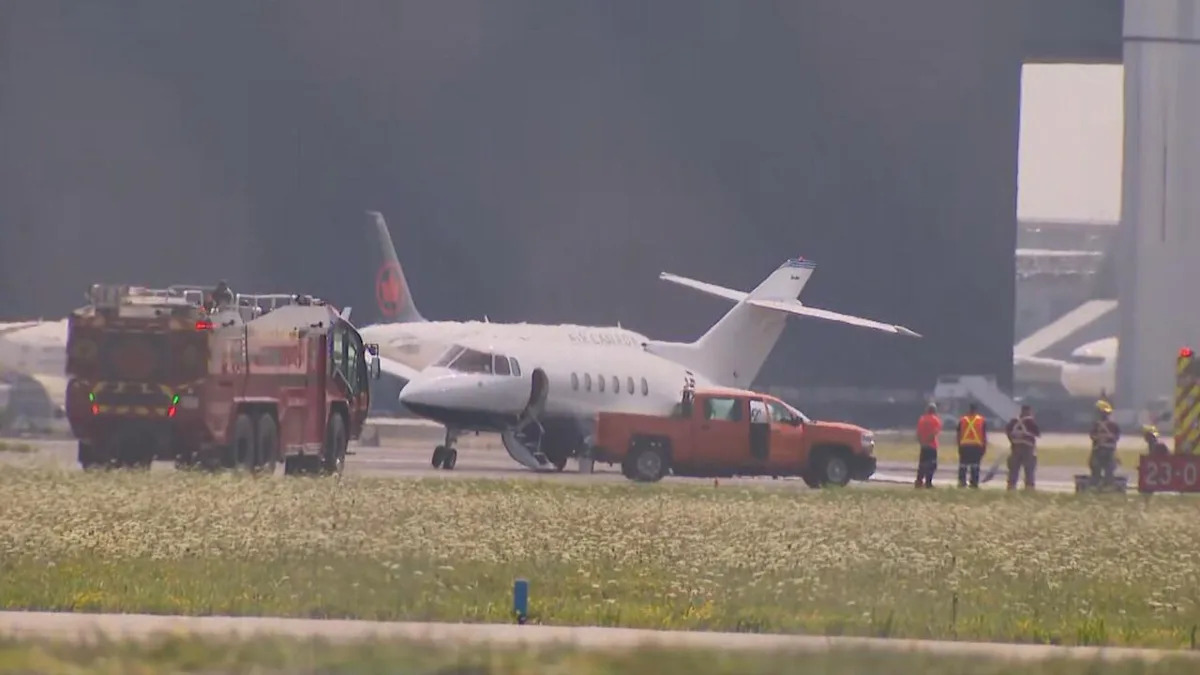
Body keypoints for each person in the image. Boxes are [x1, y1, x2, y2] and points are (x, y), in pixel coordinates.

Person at [1004, 404, 1041, 490]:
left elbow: (1007, 431)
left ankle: (1011, 486)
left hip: (1015, 447)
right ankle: (1029, 487)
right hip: (1027, 448)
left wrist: (1012, 440)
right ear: (1028, 411)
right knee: (1029, 469)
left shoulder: (1014, 421)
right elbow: (1037, 433)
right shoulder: (1030, 422)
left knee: (1013, 469)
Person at [1088, 400, 1121, 488]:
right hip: (1106, 451)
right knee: (1104, 471)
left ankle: (1101, 486)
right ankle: (1104, 486)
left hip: (1101, 451)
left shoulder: (1098, 425)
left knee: (1100, 471)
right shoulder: (1113, 425)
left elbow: (1092, 436)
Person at [956, 403, 987, 488]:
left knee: (963, 465)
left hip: (964, 445)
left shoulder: (963, 419)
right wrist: (984, 446)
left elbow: (958, 434)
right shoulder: (981, 420)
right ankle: (974, 483)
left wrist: (959, 445)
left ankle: (962, 482)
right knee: (975, 466)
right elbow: (984, 435)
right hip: (976, 445)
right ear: (976, 410)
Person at [915, 403, 942, 488]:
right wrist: (928, 440)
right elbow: (934, 433)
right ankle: (928, 482)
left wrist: (922, 442)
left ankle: (919, 481)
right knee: (931, 465)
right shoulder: (936, 420)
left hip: (923, 445)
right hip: (932, 445)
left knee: (922, 464)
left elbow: (918, 433)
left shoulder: (922, 419)